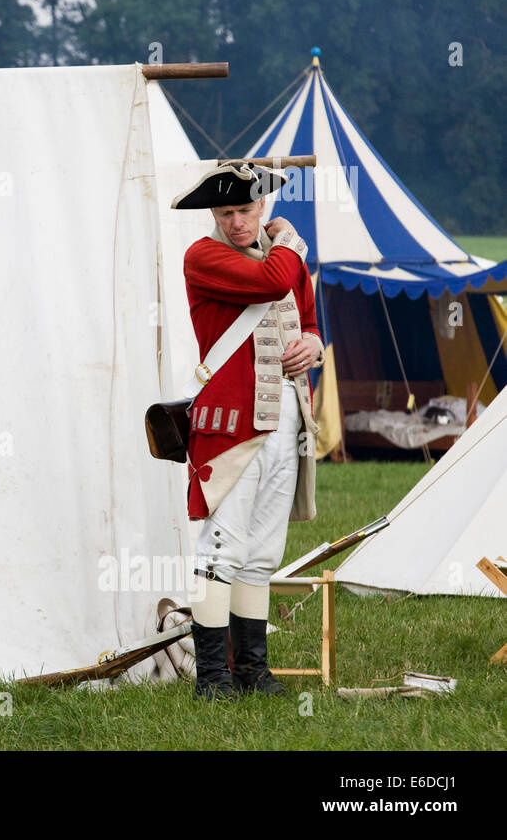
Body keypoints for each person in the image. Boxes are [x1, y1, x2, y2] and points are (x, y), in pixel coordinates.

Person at [171, 163, 323, 699]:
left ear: (263, 207)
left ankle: (252, 673)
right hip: (231, 425)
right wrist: (288, 237)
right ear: (214, 214)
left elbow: (304, 315)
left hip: (287, 418)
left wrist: (315, 344)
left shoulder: (285, 256)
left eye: (246, 209)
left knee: (261, 552)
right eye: (226, 212)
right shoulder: (204, 256)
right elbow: (274, 280)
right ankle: (212, 677)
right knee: (220, 548)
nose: (237, 222)